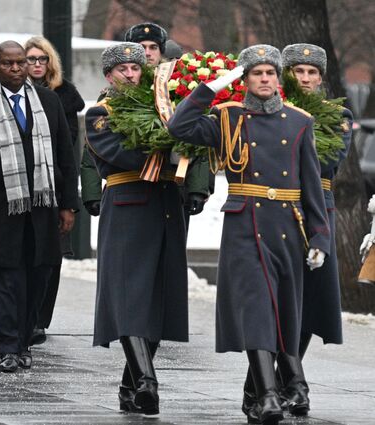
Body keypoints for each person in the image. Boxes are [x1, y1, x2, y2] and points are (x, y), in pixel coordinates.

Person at [167, 44, 331, 424]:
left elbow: (311, 185)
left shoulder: (299, 121)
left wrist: (320, 237)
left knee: (283, 311)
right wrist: (209, 89)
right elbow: (179, 126)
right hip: (245, 225)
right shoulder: (227, 117)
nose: (264, 80)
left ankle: (265, 392)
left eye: (270, 73)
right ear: (244, 80)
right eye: (256, 73)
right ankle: (270, 394)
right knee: (257, 308)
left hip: (288, 226)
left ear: (278, 79)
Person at [0, 41, 78, 373]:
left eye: (20, 63)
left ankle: (23, 342)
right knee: (8, 280)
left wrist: (69, 205)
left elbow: (65, 154)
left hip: (42, 208)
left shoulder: (48, 102)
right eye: (7, 64)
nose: (15, 69)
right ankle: (8, 347)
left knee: (38, 278)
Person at [85, 42, 189, 417]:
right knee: (130, 295)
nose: (130, 74)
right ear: (108, 75)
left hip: (164, 205)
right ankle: (147, 381)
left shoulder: (163, 108)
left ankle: (131, 385)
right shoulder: (100, 112)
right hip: (128, 203)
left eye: (135, 68)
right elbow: (122, 153)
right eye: (122, 69)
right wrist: (170, 145)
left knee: (158, 299)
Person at [263, 43, 353, 416]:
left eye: (311, 72)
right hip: (279, 211)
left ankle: (286, 379)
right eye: (298, 71)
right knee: (279, 298)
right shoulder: (271, 114)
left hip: (318, 212)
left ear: (321, 77)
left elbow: (328, 161)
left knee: (311, 301)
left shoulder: (337, 116)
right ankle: (279, 382)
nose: (304, 78)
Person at [81, 22, 212, 221]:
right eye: (142, 48)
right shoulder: (110, 97)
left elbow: (196, 140)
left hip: (173, 184)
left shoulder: (175, 90)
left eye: (153, 47)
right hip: (131, 184)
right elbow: (93, 149)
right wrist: (92, 192)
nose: (148, 53)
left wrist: (198, 188)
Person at [24, 35, 85, 345]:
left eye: (42, 59)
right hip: (19, 183)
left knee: (50, 257)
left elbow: (68, 150)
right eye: (31, 59)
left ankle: (39, 319)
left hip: (53, 184)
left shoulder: (64, 98)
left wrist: (68, 201)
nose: (36, 64)